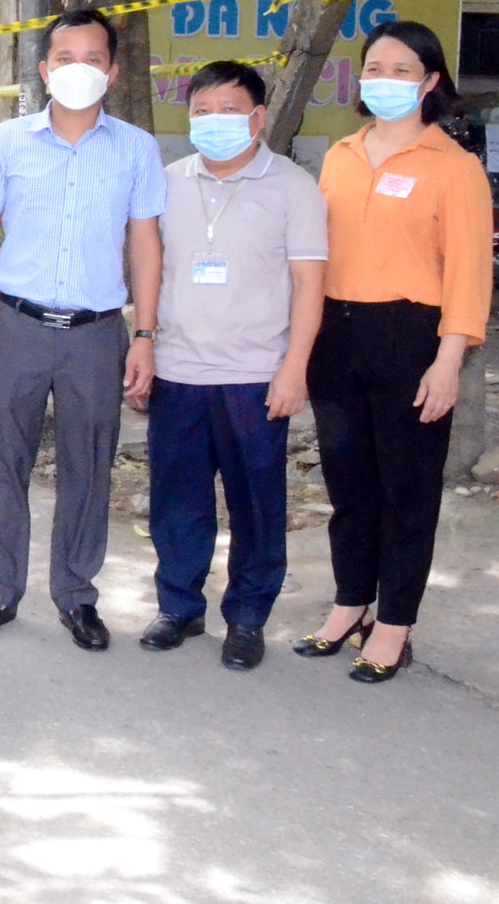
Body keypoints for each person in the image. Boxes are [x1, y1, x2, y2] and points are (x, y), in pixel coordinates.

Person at [0, 7, 165, 651]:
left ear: (114, 70)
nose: (80, 70)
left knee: (89, 465)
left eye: (94, 59)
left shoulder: (136, 147)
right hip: (15, 324)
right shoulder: (8, 141)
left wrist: (146, 337)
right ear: (45, 70)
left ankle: (76, 594)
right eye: (65, 59)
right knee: (1, 461)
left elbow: (147, 244)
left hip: (96, 334)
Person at [298, 20, 492, 683]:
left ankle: (395, 624)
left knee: (407, 490)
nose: (384, 80)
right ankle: (350, 601)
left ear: (432, 81)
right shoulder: (341, 155)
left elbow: (470, 274)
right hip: (337, 332)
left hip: (412, 338)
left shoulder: (456, 167)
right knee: (349, 484)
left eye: (402, 69)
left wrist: (449, 358)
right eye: (374, 68)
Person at [144, 61, 326, 672]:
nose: (214, 122)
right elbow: (147, 271)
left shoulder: (294, 188)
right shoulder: (166, 182)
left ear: (258, 118)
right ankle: (179, 606)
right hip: (178, 369)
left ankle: (247, 617)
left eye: (228, 111)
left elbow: (309, 285)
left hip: (255, 374)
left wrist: (294, 367)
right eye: (201, 112)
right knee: (177, 498)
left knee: (256, 501)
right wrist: (142, 344)